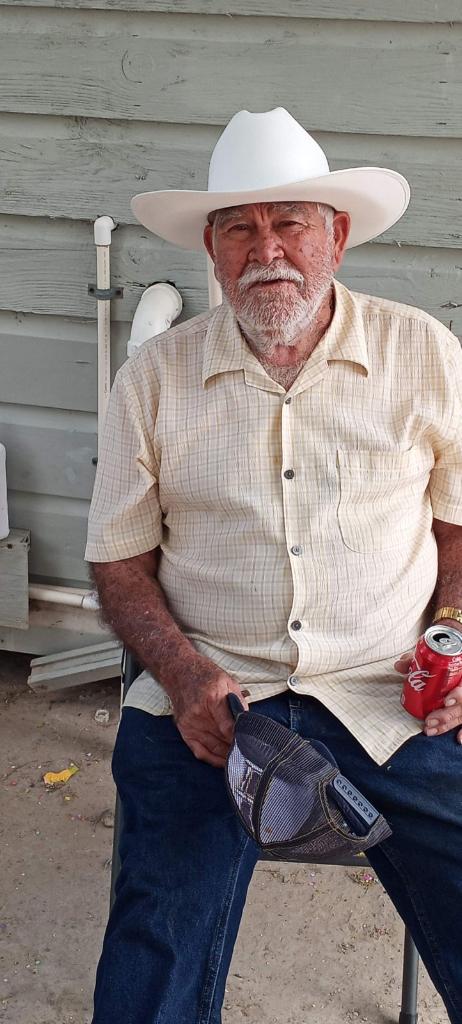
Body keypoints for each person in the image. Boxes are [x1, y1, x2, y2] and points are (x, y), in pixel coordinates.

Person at [85, 108, 462, 1024]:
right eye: (241, 228)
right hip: (214, 698)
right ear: (212, 251)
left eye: (290, 222)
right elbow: (120, 564)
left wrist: (455, 642)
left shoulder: (423, 354)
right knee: (156, 939)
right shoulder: (152, 381)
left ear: (335, 236)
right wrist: (178, 673)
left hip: (390, 692)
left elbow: (459, 527)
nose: (269, 250)